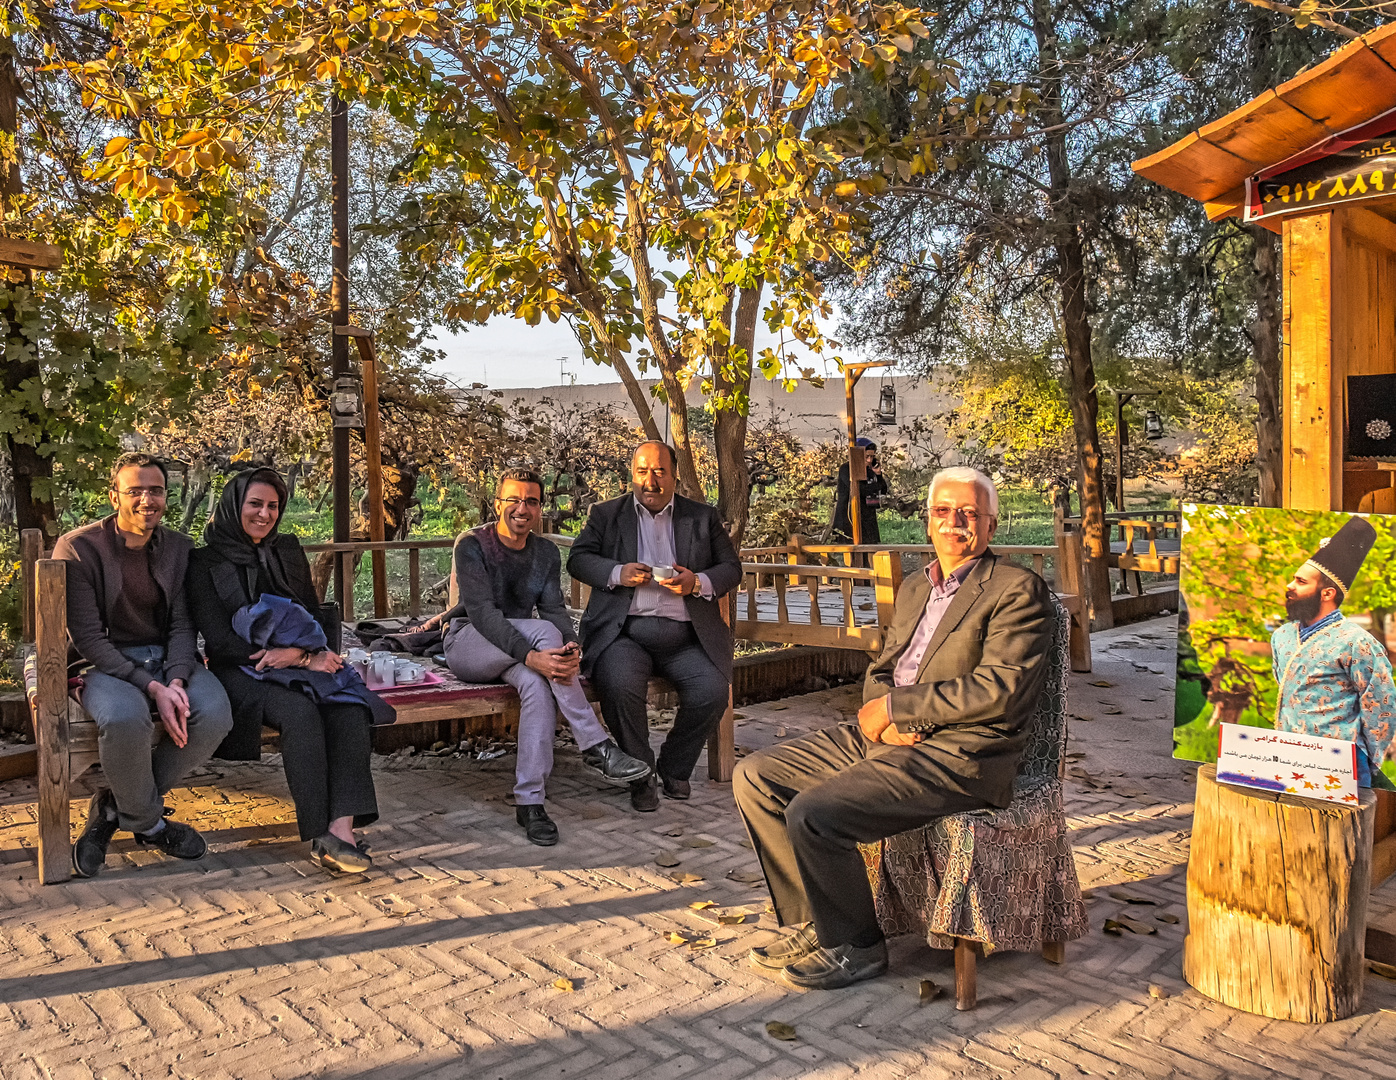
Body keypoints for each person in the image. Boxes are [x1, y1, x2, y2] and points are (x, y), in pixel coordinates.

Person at [732, 466, 1054, 989]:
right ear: (928, 521)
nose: (955, 523)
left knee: (815, 813)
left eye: (969, 513)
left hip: (960, 753)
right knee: (756, 776)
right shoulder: (914, 587)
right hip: (889, 737)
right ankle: (815, 923)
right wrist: (885, 715)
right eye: (944, 512)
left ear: (991, 525)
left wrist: (903, 711)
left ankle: (856, 946)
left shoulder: (1017, 590)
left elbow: (1001, 688)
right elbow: (883, 670)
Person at [187, 468, 383, 874]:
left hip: (299, 658)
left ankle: (340, 831)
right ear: (233, 506)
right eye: (254, 504)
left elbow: (311, 610)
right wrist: (290, 658)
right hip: (239, 668)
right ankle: (320, 833)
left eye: (273, 506)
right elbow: (220, 641)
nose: (264, 514)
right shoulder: (203, 561)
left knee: (348, 707)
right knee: (300, 713)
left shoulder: (286, 549)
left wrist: (303, 656)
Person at [441, 468, 652, 845]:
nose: (522, 509)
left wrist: (570, 646)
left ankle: (530, 803)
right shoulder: (472, 545)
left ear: (540, 508)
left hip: (516, 654)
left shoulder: (545, 552)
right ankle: (595, 744)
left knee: (539, 685)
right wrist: (534, 652)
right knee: (543, 636)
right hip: (469, 644)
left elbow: (554, 608)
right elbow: (483, 614)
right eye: (514, 500)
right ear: (498, 504)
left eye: (531, 501)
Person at [56, 452, 235, 878]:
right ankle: (151, 824)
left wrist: (174, 679)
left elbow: (181, 624)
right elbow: (88, 637)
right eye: (135, 490)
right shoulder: (78, 549)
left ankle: (115, 807)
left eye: (155, 490)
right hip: (102, 663)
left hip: (167, 658)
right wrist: (152, 688)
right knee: (123, 719)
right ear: (114, 494)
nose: (146, 500)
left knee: (213, 714)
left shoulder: (178, 548)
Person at [567, 442, 744, 811]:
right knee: (617, 684)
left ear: (674, 474)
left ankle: (674, 767)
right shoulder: (605, 514)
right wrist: (618, 572)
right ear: (632, 475)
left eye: (660, 471)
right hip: (625, 634)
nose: (651, 480)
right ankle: (640, 772)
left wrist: (696, 582)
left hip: (686, 637)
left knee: (712, 689)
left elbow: (731, 568)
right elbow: (579, 560)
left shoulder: (701, 517)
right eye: (643, 471)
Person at [1271, 517, 1396, 787]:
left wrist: (1368, 761)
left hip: (1342, 764)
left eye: (1300, 581)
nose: (1289, 586)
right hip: (1288, 756)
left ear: (1326, 593)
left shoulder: (1356, 642)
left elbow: (1381, 706)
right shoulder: (1281, 636)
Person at [830, 437, 889, 546]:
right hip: (850, 516)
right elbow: (861, 490)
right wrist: (876, 486)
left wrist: (878, 475)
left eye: (872, 457)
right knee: (853, 551)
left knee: (870, 548)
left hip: (868, 515)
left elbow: (883, 489)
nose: (869, 460)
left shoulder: (870, 470)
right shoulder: (847, 469)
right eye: (867, 456)